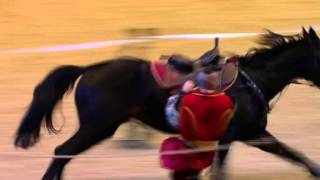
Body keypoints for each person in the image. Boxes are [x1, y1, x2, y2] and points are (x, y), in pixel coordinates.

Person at [160, 65, 235, 180]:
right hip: (210, 152)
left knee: (171, 147)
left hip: (189, 151)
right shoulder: (227, 101)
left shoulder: (189, 99)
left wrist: (182, 93)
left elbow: (174, 121)